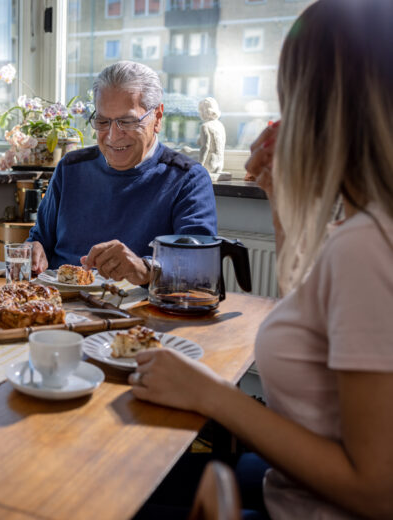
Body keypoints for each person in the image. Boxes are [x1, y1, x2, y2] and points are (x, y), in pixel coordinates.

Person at [130, 1, 393, 518]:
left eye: (291, 100)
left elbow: (376, 490)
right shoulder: (364, 232)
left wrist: (209, 394)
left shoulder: (368, 246)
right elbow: (314, 338)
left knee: (123, 485)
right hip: (290, 482)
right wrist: (286, 209)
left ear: (326, 109)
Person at [27, 61, 217, 284]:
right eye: (103, 121)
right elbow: (39, 239)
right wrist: (33, 250)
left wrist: (146, 269)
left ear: (157, 118)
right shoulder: (70, 168)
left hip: (136, 313)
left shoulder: (188, 179)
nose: (113, 136)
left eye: (127, 122)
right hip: (62, 308)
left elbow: (200, 266)